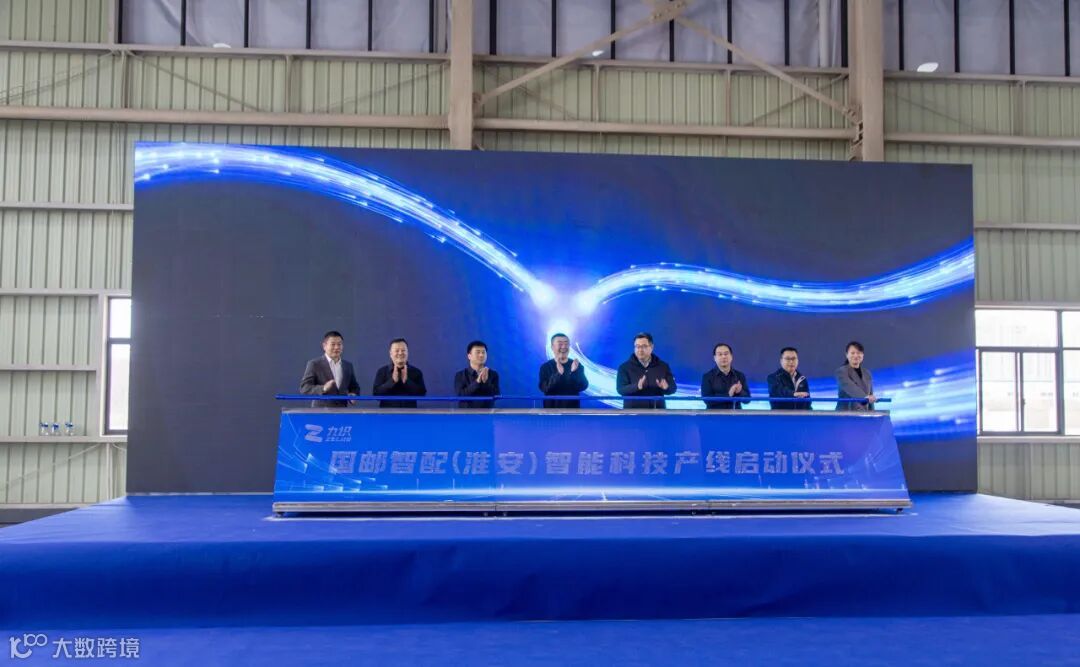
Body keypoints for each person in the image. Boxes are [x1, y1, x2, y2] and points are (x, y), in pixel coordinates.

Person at [299, 330, 360, 408]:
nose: (336, 347)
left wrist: (353, 394)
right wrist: (323, 388)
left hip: (342, 411)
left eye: (339, 344)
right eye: (333, 344)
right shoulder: (314, 364)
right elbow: (304, 388)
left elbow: (354, 387)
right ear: (324, 346)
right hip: (321, 412)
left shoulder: (348, 365)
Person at [616, 332, 676, 409]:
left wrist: (666, 387)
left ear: (651, 347)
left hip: (657, 412)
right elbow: (620, 389)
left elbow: (673, 388)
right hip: (633, 413)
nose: (640, 350)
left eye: (644, 346)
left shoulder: (663, 366)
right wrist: (637, 386)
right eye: (637, 346)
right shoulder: (624, 367)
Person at [538, 333, 589, 408]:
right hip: (551, 410)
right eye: (560, 344)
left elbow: (583, 386)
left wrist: (574, 372)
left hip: (572, 410)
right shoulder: (545, 367)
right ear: (552, 347)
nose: (564, 347)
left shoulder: (576, 365)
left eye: (566, 344)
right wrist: (558, 374)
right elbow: (544, 388)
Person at [372, 338, 427, 408]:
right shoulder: (382, 371)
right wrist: (392, 381)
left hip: (409, 413)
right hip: (387, 413)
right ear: (390, 354)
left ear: (407, 353)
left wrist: (407, 382)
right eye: (397, 350)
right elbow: (376, 395)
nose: (400, 353)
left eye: (403, 350)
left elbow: (422, 394)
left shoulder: (416, 372)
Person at [700, 343, 751, 409]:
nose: (723, 357)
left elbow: (747, 400)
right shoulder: (707, 377)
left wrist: (740, 391)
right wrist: (728, 394)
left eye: (726, 354)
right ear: (715, 358)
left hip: (735, 414)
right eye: (720, 354)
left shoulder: (740, 375)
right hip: (715, 415)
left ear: (731, 357)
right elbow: (707, 400)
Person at [454, 340, 500, 409]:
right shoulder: (460, 375)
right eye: (478, 352)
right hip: (466, 414)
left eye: (483, 352)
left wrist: (486, 382)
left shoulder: (493, 374)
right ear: (469, 356)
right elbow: (460, 396)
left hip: (488, 414)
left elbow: (496, 395)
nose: (481, 355)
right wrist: (477, 382)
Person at [835, 340, 876, 411]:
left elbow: (870, 397)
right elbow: (850, 387)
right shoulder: (841, 372)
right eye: (852, 353)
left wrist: (872, 413)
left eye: (859, 353)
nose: (856, 355)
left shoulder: (867, 373)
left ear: (863, 355)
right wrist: (864, 397)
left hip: (863, 414)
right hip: (845, 414)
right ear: (847, 355)